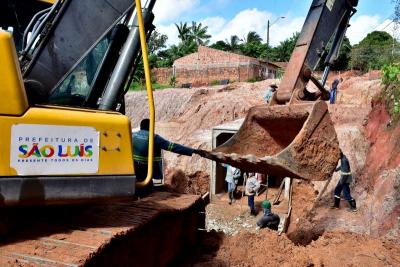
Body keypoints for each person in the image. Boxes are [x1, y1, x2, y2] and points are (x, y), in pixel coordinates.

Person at [132, 119, 205, 186]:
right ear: (151, 127)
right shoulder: (154, 138)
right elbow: (172, 147)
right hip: (145, 171)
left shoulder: (132, 135)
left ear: (141, 127)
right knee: (147, 191)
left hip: (132, 169)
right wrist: (193, 150)